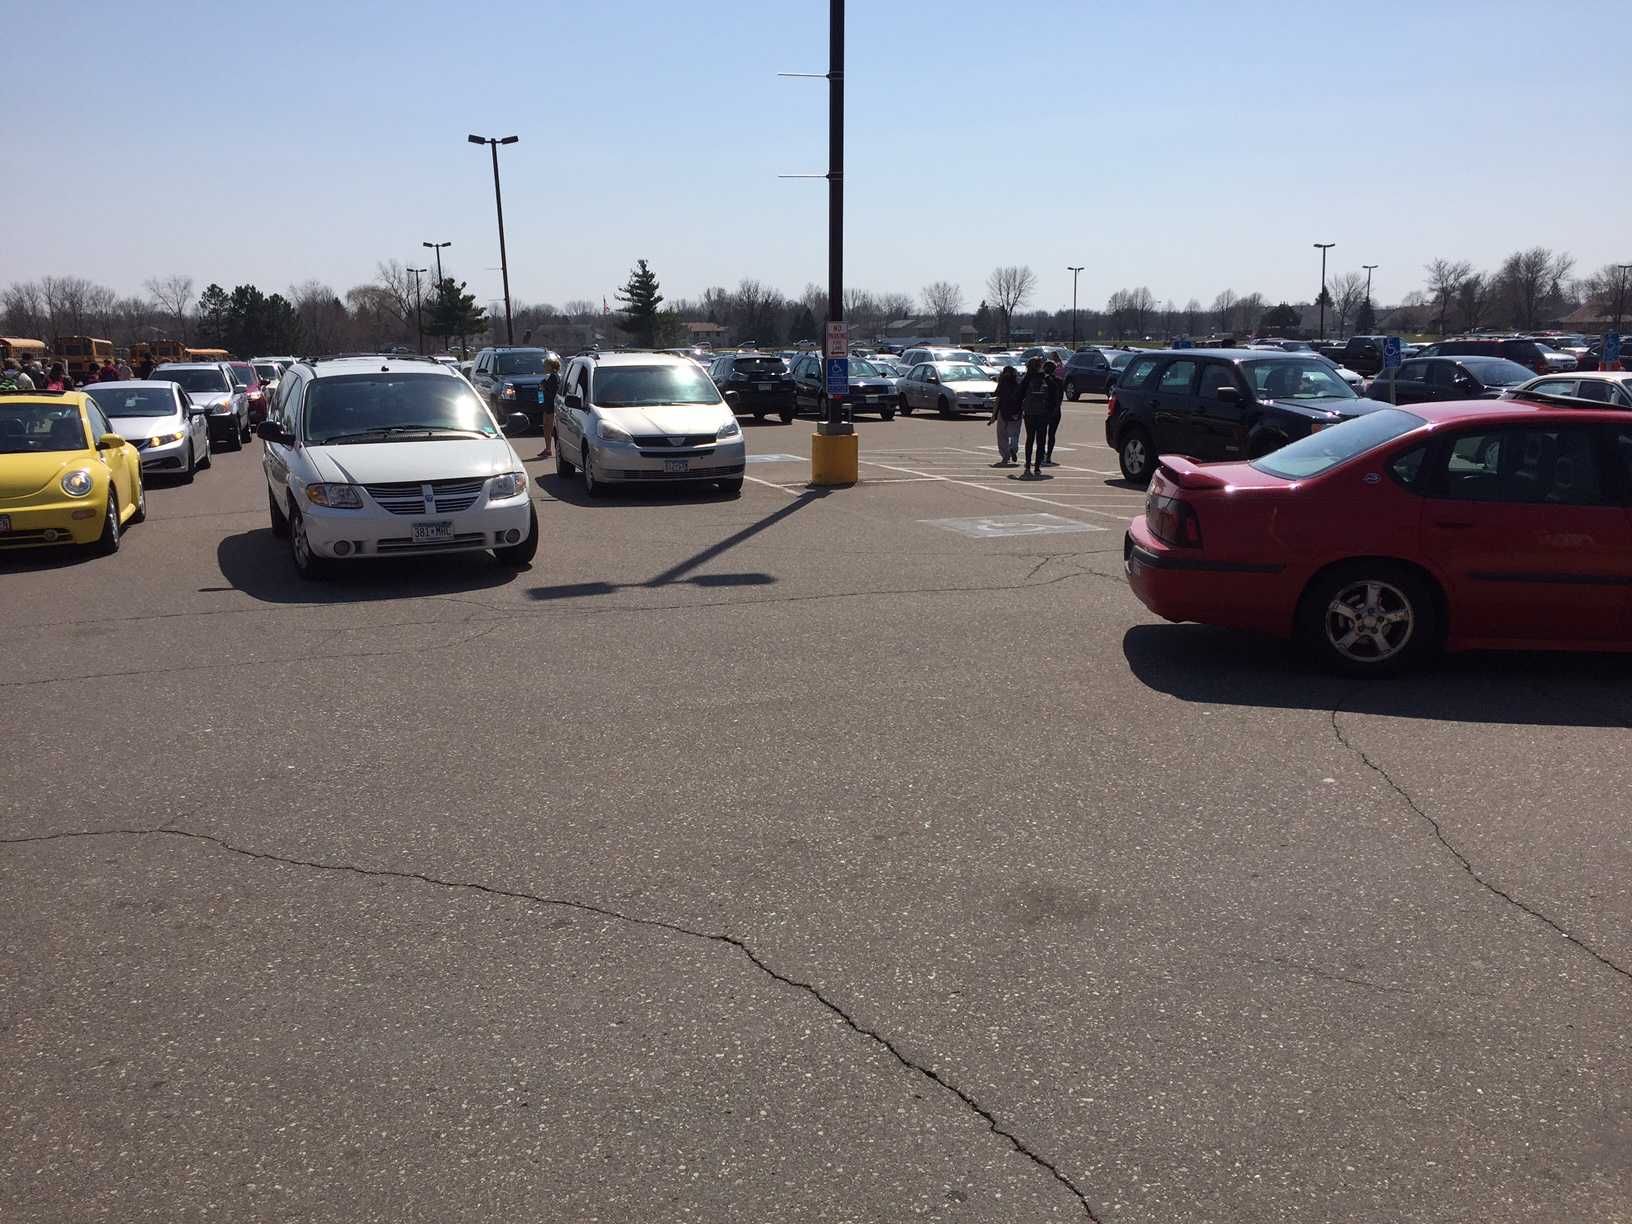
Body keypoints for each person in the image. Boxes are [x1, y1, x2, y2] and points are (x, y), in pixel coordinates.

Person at [1015, 357, 1052, 477]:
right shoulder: (1045, 378)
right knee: (1041, 440)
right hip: (1043, 412)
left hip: (1030, 412)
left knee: (1030, 438)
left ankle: (1027, 464)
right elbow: (1054, 393)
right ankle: (1037, 466)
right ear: (1039, 366)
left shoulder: (1026, 379)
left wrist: (1019, 409)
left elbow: (1018, 395)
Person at [988, 365, 1022, 466]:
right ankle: (1013, 448)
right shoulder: (1018, 384)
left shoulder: (1002, 384)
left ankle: (1005, 455)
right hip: (1017, 413)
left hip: (1003, 412)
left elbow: (997, 400)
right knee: (1015, 434)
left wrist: (993, 416)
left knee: (1002, 435)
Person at [1041, 359, 1065, 466]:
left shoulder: (1043, 380)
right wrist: (1056, 408)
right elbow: (1060, 398)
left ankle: (1043, 455)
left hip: (1045, 409)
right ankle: (1048, 455)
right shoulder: (1059, 381)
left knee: (1042, 434)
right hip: (1055, 410)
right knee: (1051, 434)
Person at [538, 356, 561, 457]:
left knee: (550, 427)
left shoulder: (554, 377)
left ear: (551, 366)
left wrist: (543, 388)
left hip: (551, 405)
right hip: (547, 404)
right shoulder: (550, 376)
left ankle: (550, 449)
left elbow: (553, 393)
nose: (544, 367)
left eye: (546, 365)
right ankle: (547, 449)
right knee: (546, 426)